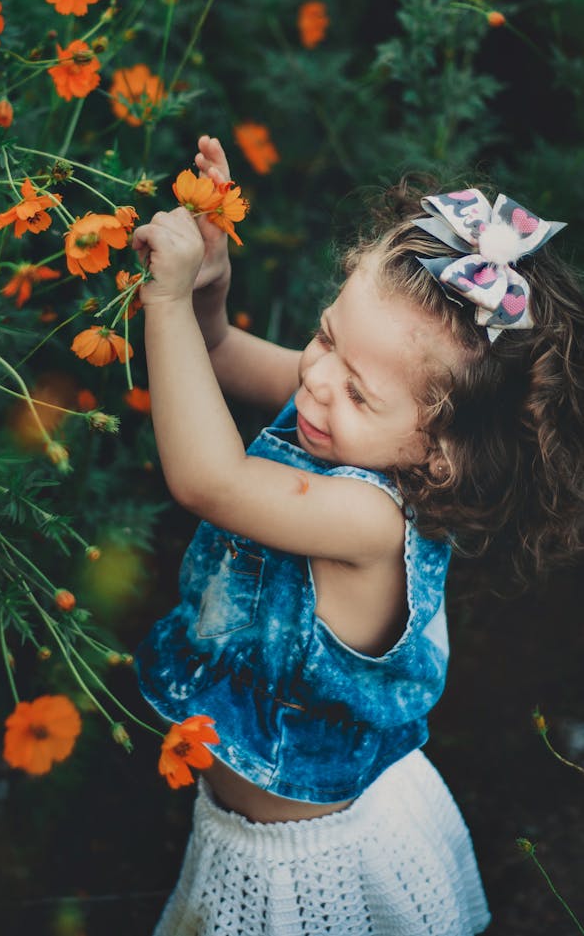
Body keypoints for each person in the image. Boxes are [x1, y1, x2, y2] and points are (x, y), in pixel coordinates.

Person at [131, 135, 584, 936]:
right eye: (326, 334)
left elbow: (211, 481)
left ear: (438, 455)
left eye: (357, 387)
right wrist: (205, 290)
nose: (316, 376)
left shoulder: (370, 520)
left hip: (301, 864)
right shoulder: (340, 413)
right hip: (257, 823)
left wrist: (160, 305)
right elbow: (224, 352)